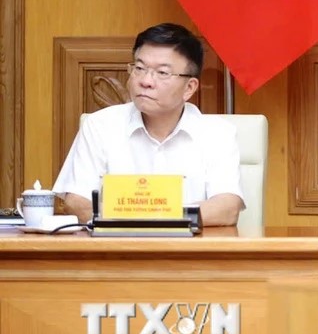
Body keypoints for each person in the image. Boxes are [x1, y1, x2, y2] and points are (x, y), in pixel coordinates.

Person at [54, 23, 245, 226]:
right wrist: (151, 220)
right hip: (117, 244)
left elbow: (227, 208)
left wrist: (150, 216)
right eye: (139, 68)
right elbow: (77, 202)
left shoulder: (218, 134)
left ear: (189, 88)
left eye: (162, 73)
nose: (146, 81)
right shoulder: (100, 125)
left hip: (189, 246)